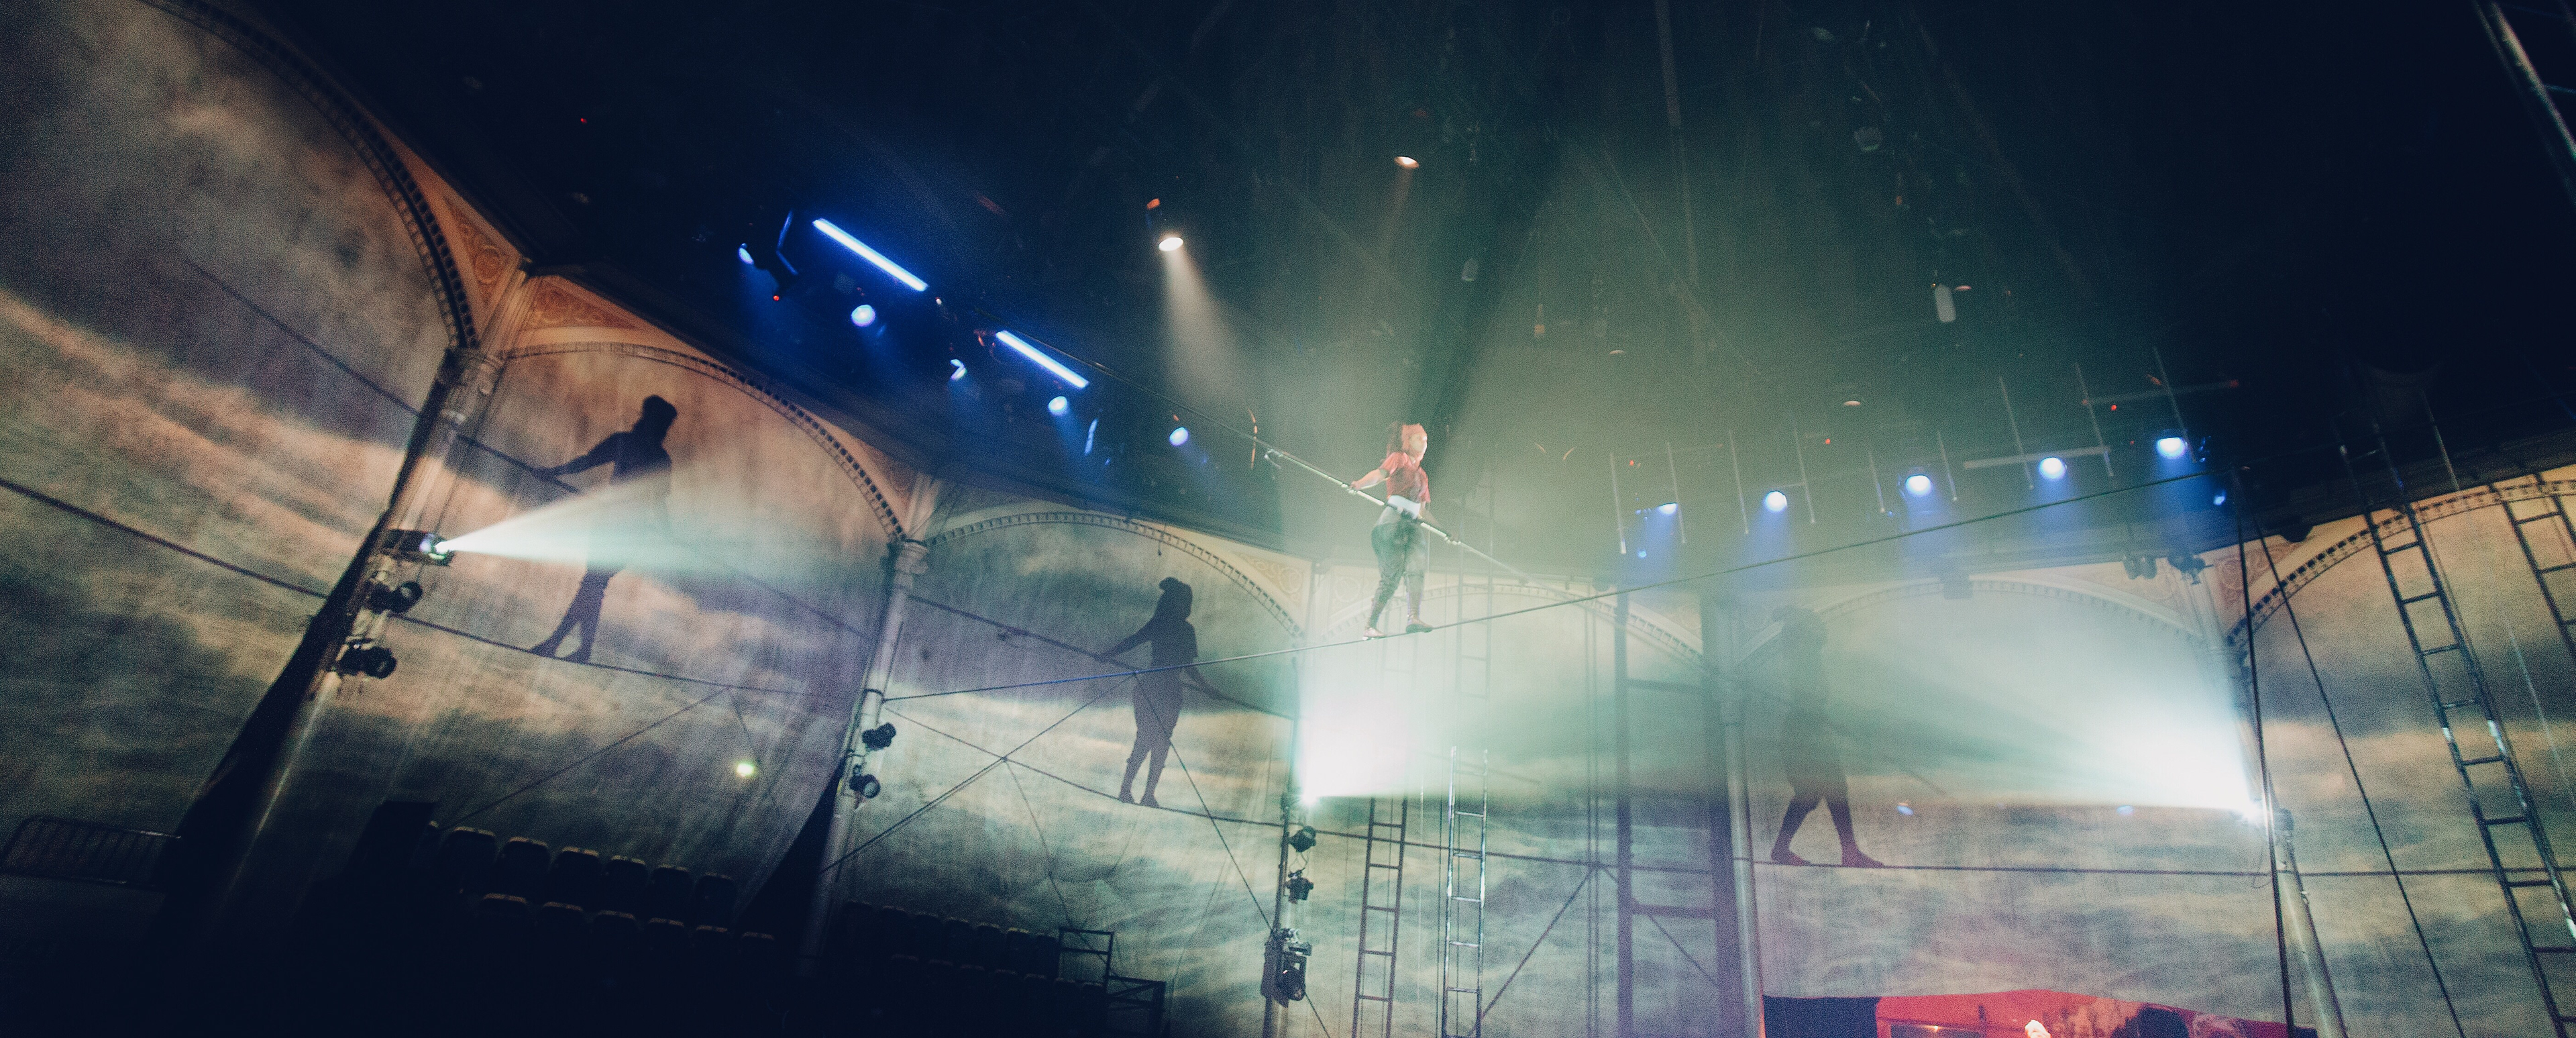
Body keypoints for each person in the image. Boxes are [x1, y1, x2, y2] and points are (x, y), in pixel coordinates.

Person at [529, 396, 678, 664]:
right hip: (622, 529)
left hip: (619, 529)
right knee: (593, 586)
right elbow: (658, 503)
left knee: (592, 585)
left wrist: (553, 472)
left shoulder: (636, 447)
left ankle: (561, 645)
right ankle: (576, 649)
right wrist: (668, 535)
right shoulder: (655, 456)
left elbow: (588, 462)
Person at [1767, 605, 1884, 868]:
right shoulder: (1803, 660)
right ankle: (1846, 853)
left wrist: (1820, 718)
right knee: (1820, 792)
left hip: (1809, 731)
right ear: (1806, 633)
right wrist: (1815, 717)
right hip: (1804, 733)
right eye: (1816, 627)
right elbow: (1807, 699)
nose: (1822, 631)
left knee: (1821, 792)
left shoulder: (1807, 659)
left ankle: (1840, 852)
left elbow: (1812, 700)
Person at [1104, 578, 1219, 807]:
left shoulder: (1167, 625)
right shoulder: (1179, 628)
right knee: (1156, 740)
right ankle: (1138, 792)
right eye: (1186, 602)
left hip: (1157, 687)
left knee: (1151, 739)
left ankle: (1136, 792)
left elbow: (1134, 641)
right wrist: (1208, 689)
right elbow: (1188, 667)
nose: (1188, 607)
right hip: (1162, 688)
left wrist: (1108, 654)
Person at [1350, 422, 1436, 638]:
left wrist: (1446, 532)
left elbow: (1423, 511)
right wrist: (1360, 484)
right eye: (1419, 438)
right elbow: (1380, 474)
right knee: (1392, 577)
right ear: (1408, 441)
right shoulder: (1399, 458)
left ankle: (1413, 617)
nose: (1424, 443)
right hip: (1394, 521)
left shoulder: (1423, 475)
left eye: (1426, 440)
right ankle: (1370, 626)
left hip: (1413, 525)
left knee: (1416, 571)